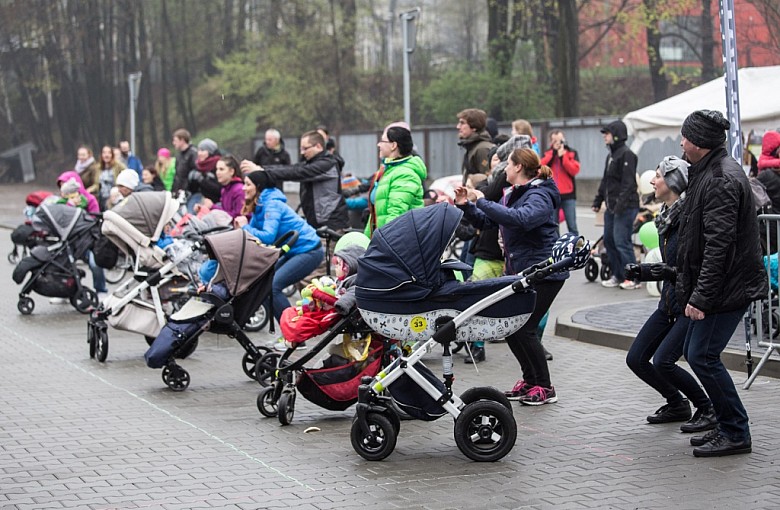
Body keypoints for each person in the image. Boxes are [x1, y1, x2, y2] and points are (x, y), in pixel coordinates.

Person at [675, 109, 768, 457]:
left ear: (698, 142)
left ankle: (735, 430)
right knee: (697, 353)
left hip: (728, 287)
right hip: (722, 285)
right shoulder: (708, 171)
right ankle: (726, 424)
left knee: (702, 355)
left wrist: (700, 297)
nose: (681, 142)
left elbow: (719, 246)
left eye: (685, 137)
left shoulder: (720, 178)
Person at [454, 148, 567, 405]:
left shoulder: (540, 194)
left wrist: (481, 199)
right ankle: (530, 381)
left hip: (545, 272)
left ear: (518, 168)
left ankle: (545, 387)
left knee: (525, 328)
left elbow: (522, 220)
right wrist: (467, 206)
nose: (504, 169)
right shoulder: (515, 194)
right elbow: (487, 222)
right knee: (514, 328)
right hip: (524, 271)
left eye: (508, 164)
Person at [624, 156, 716, 433]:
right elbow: (672, 266)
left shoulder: (689, 218)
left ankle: (707, 407)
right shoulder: (666, 215)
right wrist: (645, 271)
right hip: (669, 301)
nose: (652, 180)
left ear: (674, 181)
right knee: (636, 358)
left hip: (689, 302)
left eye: (659, 176)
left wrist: (659, 271)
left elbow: (693, 267)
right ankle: (676, 403)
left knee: (664, 361)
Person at [233, 170, 324, 346]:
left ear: (258, 187)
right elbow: (253, 236)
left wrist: (244, 227)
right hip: (293, 250)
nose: (243, 188)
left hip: (309, 250)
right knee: (265, 283)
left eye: (247, 184)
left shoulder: (272, 204)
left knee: (273, 287)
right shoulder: (260, 203)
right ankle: (288, 333)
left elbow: (267, 236)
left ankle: (295, 336)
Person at [240, 130, 349, 232]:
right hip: (318, 222)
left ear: (318, 146)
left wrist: (261, 170)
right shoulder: (311, 162)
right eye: (301, 148)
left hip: (332, 224)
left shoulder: (327, 164)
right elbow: (289, 168)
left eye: (305, 148)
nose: (302, 152)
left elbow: (296, 172)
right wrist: (261, 169)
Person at [592, 120, 639, 290]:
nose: (604, 136)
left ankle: (632, 278)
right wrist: (598, 200)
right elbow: (606, 181)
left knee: (622, 242)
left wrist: (620, 206)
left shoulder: (627, 155)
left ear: (617, 135)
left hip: (626, 207)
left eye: (607, 133)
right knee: (610, 241)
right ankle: (618, 274)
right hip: (612, 207)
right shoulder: (611, 156)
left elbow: (628, 184)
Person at [364, 125, 426, 238]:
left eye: (382, 140)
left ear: (393, 145)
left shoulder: (406, 174)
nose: (378, 144)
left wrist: (381, 244)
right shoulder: (387, 170)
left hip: (397, 243)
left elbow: (395, 215)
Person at [541, 129, 580, 235]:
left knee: (572, 225)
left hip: (568, 194)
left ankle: (575, 248)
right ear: (551, 142)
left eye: (560, 141)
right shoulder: (547, 153)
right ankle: (555, 247)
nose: (558, 144)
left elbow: (574, 170)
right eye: (555, 141)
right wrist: (553, 154)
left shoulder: (571, 152)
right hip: (552, 194)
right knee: (553, 225)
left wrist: (563, 157)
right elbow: (542, 167)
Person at [96, 145, 126, 211]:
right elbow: (96, 184)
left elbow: (127, 175)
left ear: (112, 155)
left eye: (109, 153)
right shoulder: (98, 167)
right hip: (101, 197)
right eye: (104, 153)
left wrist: (119, 190)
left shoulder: (118, 165)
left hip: (115, 197)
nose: (106, 155)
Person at [171, 128, 198, 197]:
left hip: (192, 193)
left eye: (175, 140)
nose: (173, 143)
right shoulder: (178, 156)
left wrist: (187, 188)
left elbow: (195, 174)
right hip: (181, 193)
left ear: (182, 140)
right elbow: (177, 176)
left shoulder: (193, 154)